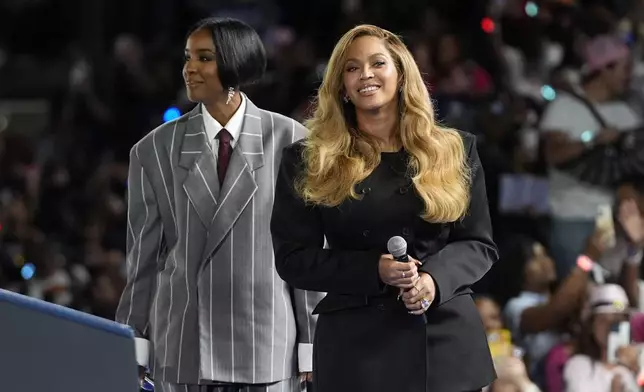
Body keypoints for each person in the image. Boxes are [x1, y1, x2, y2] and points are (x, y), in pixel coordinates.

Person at [271, 24, 499, 392]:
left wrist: (432, 282)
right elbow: (293, 259)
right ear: (340, 85)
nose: (365, 75)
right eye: (351, 68)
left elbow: (478, 244)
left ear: (402, 73)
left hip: (444, 348)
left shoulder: (455, 149)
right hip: (355, 352)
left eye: (378, 63)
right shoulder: (309, 159)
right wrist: (373, 269)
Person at [115, 17, 324, 392]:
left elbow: (306, 254)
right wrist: (133, 342)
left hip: (268, 345)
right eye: (187, 57)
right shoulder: (152, 150)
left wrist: (311, 345)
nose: (189, 68)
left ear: (235, 63)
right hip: (183, 348)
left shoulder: (291, 139)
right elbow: (142, 261)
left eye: (204, 58)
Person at [540, 34, 641, 279]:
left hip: (611, 220)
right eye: (624, 68)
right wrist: (593, 140)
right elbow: (553, 154)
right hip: (571, 217)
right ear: (605, 68)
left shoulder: (627, 113)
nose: (629, 76)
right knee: (575, 290)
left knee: (605, 294)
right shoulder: (564, 107)